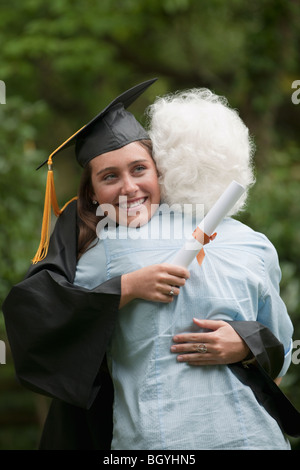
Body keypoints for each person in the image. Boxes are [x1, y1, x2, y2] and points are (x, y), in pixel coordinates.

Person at [1, 79, 297, 450]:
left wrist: (245, 343)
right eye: (110, 176)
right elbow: (39, 318)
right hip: (159, 442)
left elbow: (280, 354)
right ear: (91, 192)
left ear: (161, 170)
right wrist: (126, 287)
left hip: (256, 438)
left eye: (139, 169)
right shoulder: (106, 246)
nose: (128, 187)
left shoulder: (253, 245)